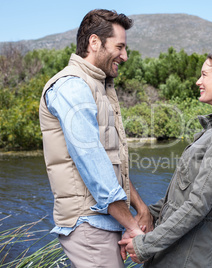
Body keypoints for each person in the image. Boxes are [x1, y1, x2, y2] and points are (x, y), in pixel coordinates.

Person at [119, 52, 212, 267]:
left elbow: (198, 205)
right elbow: (181, 198)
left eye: (205, 75)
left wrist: (145, 245)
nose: (198, 81)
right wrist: (146, 217)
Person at [39, 9, 152, 268]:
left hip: (102, 222)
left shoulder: (97, 86)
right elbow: (94, 166)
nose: (124, 56)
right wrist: (133, 227)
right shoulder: (72, 86)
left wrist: (140, 206)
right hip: (89, 224)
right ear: (94, 42)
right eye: (120, 47)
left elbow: (110, 163)